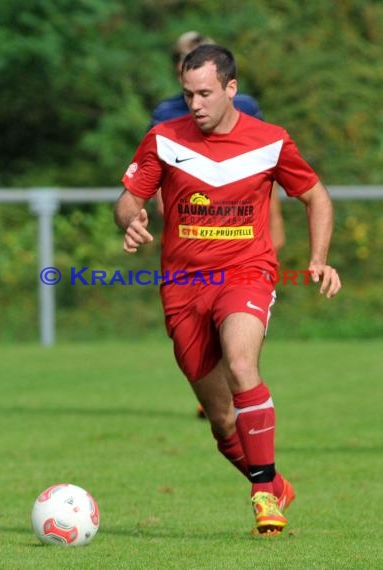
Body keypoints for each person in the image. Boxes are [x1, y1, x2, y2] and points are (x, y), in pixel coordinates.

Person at [115, 45, 341, 535]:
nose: (194, 104)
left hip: (245, 272)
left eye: (204, 93)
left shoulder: (271, 141)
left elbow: (316, 197)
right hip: (181, 286)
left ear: (230, 89)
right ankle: (274, 481)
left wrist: (318, 258)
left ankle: (262, 494)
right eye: (187, 93)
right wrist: (130, 221)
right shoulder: (163, 139)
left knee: (242, 363)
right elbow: (128, 200)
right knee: (221, 421)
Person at [150, 31, 285, 254]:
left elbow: (267, 167)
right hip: (192, 232)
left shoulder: (246, 108)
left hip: (243, 227)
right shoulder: (166, 114)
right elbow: (154, 172)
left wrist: (275, 221)